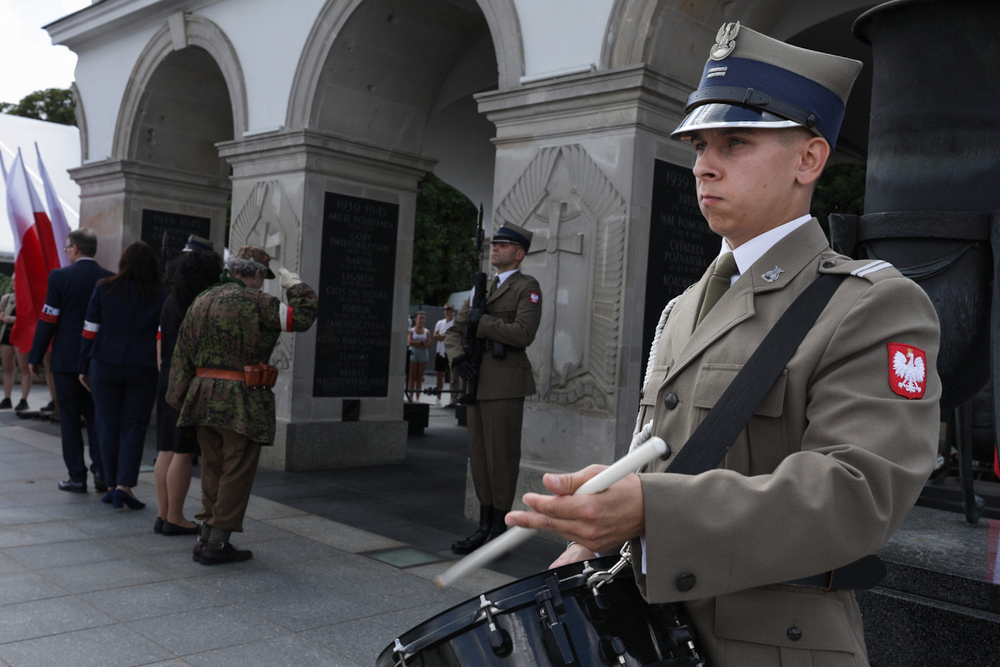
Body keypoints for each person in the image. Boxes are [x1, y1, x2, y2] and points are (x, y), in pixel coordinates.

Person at [505, 23, 941, 667]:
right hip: (656, 635)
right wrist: (599, 536)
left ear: (808, 160)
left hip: (774, 644)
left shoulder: (871, 304)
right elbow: (663, 457)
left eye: (736, 142)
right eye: (700, 144)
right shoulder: (684, 307)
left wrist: (651, 511)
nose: (704, 165)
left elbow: (858, 492)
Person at [166, 246, 318, 565]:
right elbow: (301, 317)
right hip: (241, 400)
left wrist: (179, 398)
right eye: (264, 277)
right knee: (236, 471)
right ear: (258, 274)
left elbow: (182, 353)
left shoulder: (202, 299)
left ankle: (205, 535)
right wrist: (296, 287)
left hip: (201, 397)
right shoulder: (260, 302)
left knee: (212, 468)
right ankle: (218, 543)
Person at [445, 222, 542, 554]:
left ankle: (499, 529)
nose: (495, 248)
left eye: (503, 244)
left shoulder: (526, 287)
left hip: (505, 383)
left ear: (519, 253)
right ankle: (484, 526)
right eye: (494, 244)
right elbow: (454, 331)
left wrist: (482, 321)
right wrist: (458, 358)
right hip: (476, 380)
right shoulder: (481, 289)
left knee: (501, 456)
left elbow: (524, 332)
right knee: (480, 457)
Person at [79, 241, 166, 511]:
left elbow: (90, 329)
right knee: (134, 426)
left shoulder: (104, 288)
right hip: (143, 367)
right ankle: (123, 486)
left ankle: (110, 484)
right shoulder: (161, 295)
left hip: (104, 363)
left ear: (123, 262)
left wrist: (83, 365)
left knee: (106, 424)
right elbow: (162, 336)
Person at [29, 228, 112, 494]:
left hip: (66, 360)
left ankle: (77, 478)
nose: (66, 252)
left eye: (67, 248)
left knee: (69, 419)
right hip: (97, 360)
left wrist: (35, 356)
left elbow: (49, 318)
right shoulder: (109, 279)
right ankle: (102, 473)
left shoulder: (60, 277)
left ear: (75, 248)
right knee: (97, 417)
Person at [153, 244, 223, 536]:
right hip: (188, 377)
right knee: (183, 452)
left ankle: (163, 515)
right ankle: (175, 518)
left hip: (167, 374)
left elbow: (160, 344)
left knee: (166, 449)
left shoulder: (171, 300)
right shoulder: (201, 303)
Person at [0, 274, 31, 411]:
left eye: (15, 280)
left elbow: (30, 318)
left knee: (24, 368)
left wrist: (11, 319)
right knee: (7, 368)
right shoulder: (7, 298)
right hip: (6, 335)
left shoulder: (28, 298)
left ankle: (24, 400)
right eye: (12, 280)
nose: (13, 282)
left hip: (21, 336)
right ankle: (7, 398)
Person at [432, 303, 455, 406]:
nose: (446, 311)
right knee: (439, 376)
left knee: (452, 376)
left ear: (452, 310)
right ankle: (438, 398)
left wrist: (442, 336)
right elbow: (435, 336)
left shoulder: (455, 323)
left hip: (450, 351)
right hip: (440, 351)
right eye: (444, 309)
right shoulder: (440, 322)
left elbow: (453, 337)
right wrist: (444, 337)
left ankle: (452, 398)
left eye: (448, 309)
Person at [406, 311, 432, 402]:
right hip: (414, 352)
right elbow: (410, 342)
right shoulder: (412, 331)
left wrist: (418, 343)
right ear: (416, 319)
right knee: (412, 376)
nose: (422, 320)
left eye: (423, 318)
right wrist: (421, 343)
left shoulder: (427, 332)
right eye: (420, 318)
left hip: (423, 353)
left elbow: (429, 344)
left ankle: (418, 397)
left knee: (419, 377)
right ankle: (411, 396)